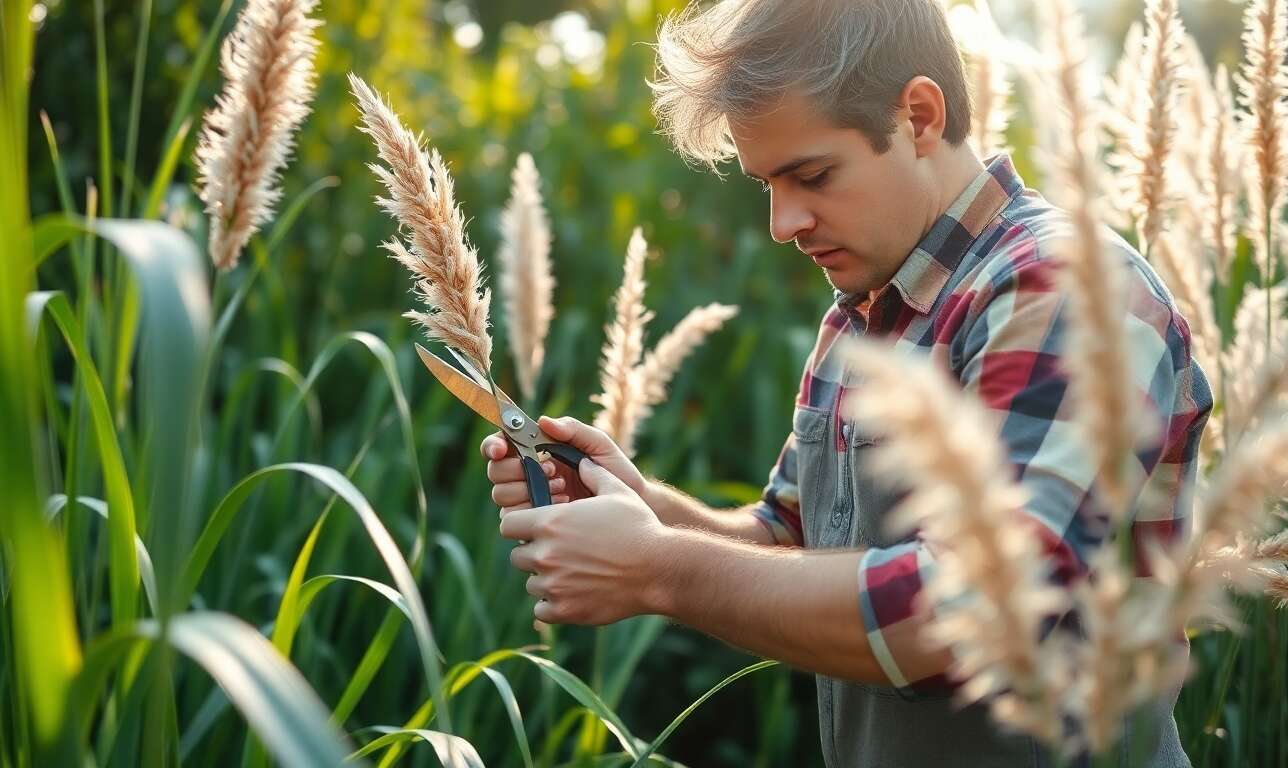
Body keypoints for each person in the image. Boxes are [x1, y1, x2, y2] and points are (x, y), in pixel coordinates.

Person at [481, 0, 1211, 764]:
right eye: (767, 184)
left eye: (812, 175)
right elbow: (786, 538)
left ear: (919, 117)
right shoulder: (864, 313)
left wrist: (659, 568)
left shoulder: (1063, 292)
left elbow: (979, 607)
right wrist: (640, 507)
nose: (782, 223)